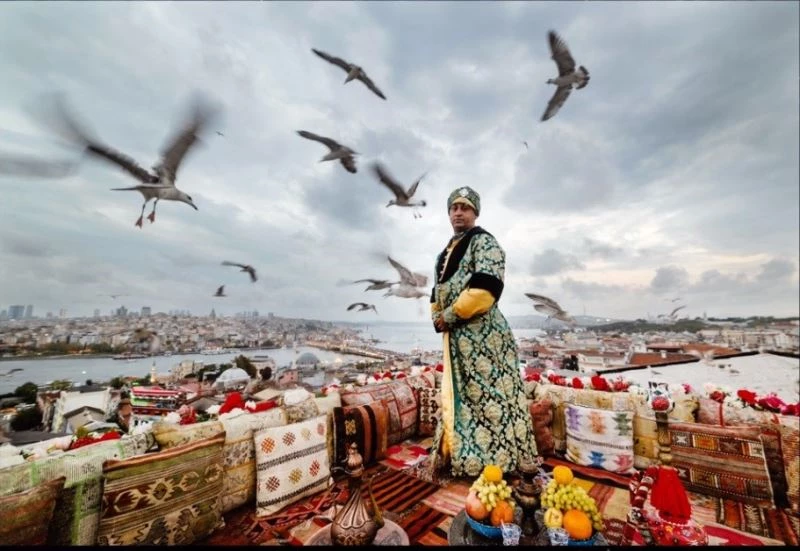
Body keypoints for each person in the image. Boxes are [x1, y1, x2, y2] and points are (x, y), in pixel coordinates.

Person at [428, 186, 537, 478]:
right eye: (454, 208)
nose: (458, 212)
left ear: (475, 212)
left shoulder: (485, 243)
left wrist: (448, 316)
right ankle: (463, 459)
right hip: (457, 341)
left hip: (485, 337)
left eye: (465, 207)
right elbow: (436, 292)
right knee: (465, 400)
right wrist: (437, 316)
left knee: (491, 400)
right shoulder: (442, 254)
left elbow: (486, 289)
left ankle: (498, 464)